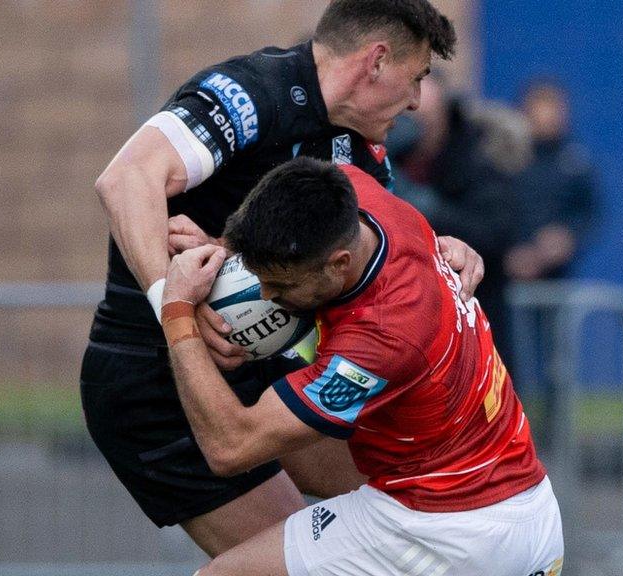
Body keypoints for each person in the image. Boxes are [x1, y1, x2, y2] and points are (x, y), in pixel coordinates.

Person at [81, 0, 486, 557]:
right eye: (416, 77)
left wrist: (443, 253)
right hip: (156, 385)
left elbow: (365, 276)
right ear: (376, 61)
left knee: (405, 504)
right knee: (311, 562)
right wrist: (179, 307)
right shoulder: (251, 92)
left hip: (259, 371)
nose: (417, 101)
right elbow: (126, 179)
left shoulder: (363, 157)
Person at [160, 157, 563, 576]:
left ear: (340, 263)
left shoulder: (382, 337)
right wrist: (222, 247)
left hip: (452, 532)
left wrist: (177, 309)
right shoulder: (357, 195)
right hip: (516, 501)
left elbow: (231, 448)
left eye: (282, 286)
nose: (266, 294)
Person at [390, 73, 532, 361]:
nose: (415, 128)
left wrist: (427, 209)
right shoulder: (387, 159)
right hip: (406, 326)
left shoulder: (480, 158)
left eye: (423, 117)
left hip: (474, 323)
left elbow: (495, 233)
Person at [504, 80, 596, 283]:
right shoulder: (504, 158)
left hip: (558, 279)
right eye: (541, 107)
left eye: (555, 108)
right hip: (503, 277)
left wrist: (568, 237)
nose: (548, 117)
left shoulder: (576, 161)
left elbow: (589, 211)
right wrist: (507, 252)